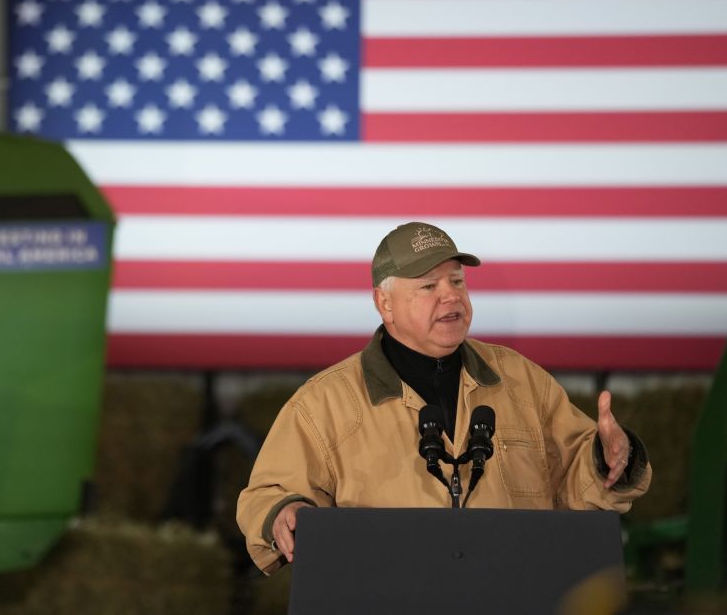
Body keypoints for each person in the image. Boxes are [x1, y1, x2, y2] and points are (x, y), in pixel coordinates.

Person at [236, 221, 652, 574]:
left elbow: (577, 480)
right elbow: (267, 494)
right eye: (428, 285)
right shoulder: (325, 402)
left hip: (511, 591)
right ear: (385, 303)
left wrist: (610, 459)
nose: (451, 295)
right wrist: (282, 513)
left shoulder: (522, 381)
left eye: (457, 281)